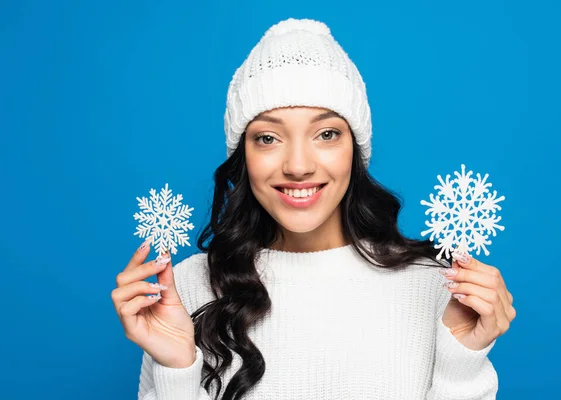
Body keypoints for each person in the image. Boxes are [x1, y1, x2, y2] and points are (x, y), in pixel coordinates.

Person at [112, 17, 516, 400]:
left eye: (326, 133)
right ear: (243, 155)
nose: (299, 166)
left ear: (355, 151)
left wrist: (460, 364)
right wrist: (177, 369)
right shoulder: (184, 289)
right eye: (268, 138)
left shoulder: (437, 287)